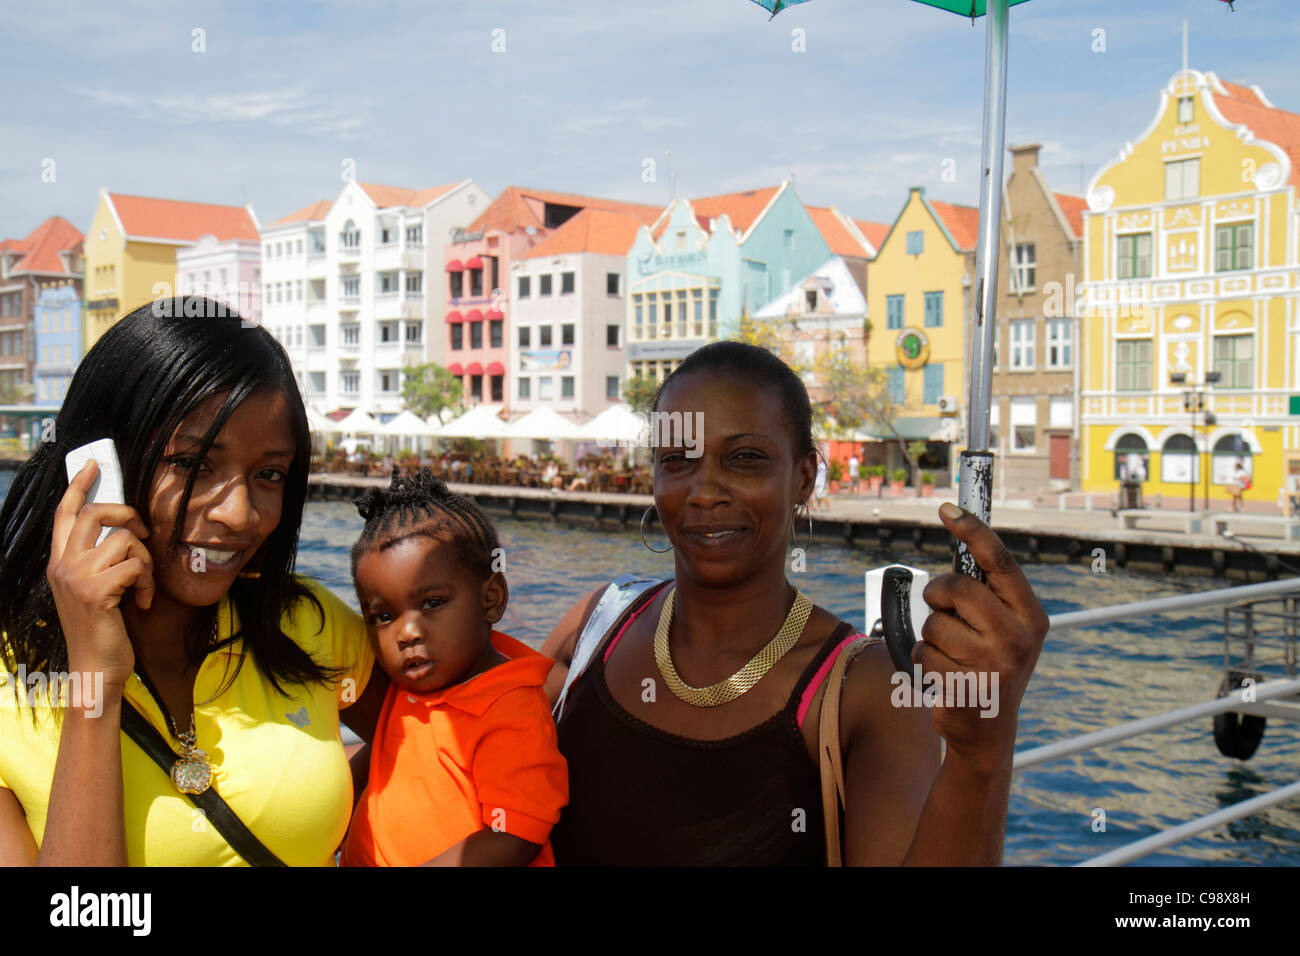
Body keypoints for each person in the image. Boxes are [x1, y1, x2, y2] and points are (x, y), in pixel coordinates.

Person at [540, 341, 1049, 865]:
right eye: (677, 460)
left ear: (804, 476)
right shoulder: (596, 626)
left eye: (745, 459)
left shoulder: (868, 691)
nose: (704, 491)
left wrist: (979, 752)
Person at [0, 297, 386, 865]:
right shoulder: (14, 686)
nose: (239, 513)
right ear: (99, 465)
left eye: (269, 474)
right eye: (192, 463)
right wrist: (96, 685)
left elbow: (467, 723)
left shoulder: (306, 624)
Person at [340, 469, 567, 866]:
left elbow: (514, 835)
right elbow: (383, 755)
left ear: (491, 599)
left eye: (432, 603)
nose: (406, 632)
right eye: (383, 616)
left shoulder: (511, 710)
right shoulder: (412, 686)